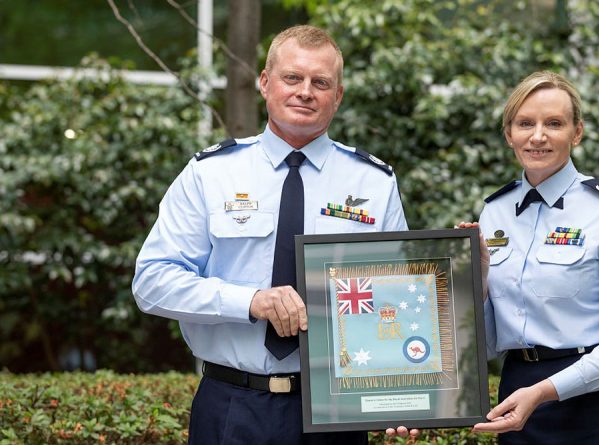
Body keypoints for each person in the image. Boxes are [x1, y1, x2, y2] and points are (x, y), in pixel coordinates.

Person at [132, 25, 407, 445]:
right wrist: (251, 301)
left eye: (321, 83)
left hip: (337, 411)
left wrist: (403, 394)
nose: (305, 92)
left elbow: (397, 298)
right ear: (265, 82)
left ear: (338, 96)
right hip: (232, 404)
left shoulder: (374, 182)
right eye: (292, 78)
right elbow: (152, 283)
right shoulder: (211, 174)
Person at [461, 70, 599, 444]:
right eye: (525, 123)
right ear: (509, 134)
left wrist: (545, 390)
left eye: (554, 123)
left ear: (577, 132)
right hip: (521, 396)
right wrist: (480, 283)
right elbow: (485, 344)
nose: (537, 136)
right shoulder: (494, 213)